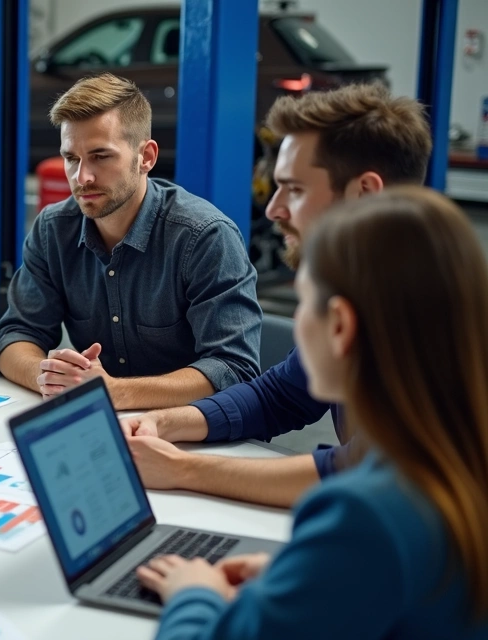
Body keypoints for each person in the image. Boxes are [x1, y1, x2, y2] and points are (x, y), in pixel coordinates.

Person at [136, 187, 488, 639]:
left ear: (339, 325)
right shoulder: (456, 456)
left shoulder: (364, 513)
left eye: (304, 301)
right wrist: (310, 579)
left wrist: (194, 592)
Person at [120, 83, 433, 507]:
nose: (274, 209)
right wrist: (161, 422)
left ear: (366, 192)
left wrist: (181, 469)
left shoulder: (426, 310)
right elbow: (281, 396)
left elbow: (368, 472)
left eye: (296, 190)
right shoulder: (362, 284)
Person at [0, 73, 262, 411]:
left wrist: (113, 392)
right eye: (72, 158)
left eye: (101, 156)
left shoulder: (204, 236)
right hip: (104, 424)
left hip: (191, 432)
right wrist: (48, 376)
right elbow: (14, 336)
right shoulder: (53, 229)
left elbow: (234, 368)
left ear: (146, 157)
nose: (82, 178)